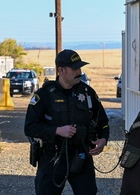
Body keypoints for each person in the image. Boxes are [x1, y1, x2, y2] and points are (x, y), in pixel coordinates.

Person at [24, 49, 110, 195]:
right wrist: (57, 130)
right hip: (52, 157)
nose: (80, 72)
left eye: (80, 67)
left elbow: (102, 121)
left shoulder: (87, 93)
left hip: (81, 155)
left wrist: (103, 139)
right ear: (61, 70)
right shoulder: (44, 95)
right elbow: (30, 127)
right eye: (75, 68)